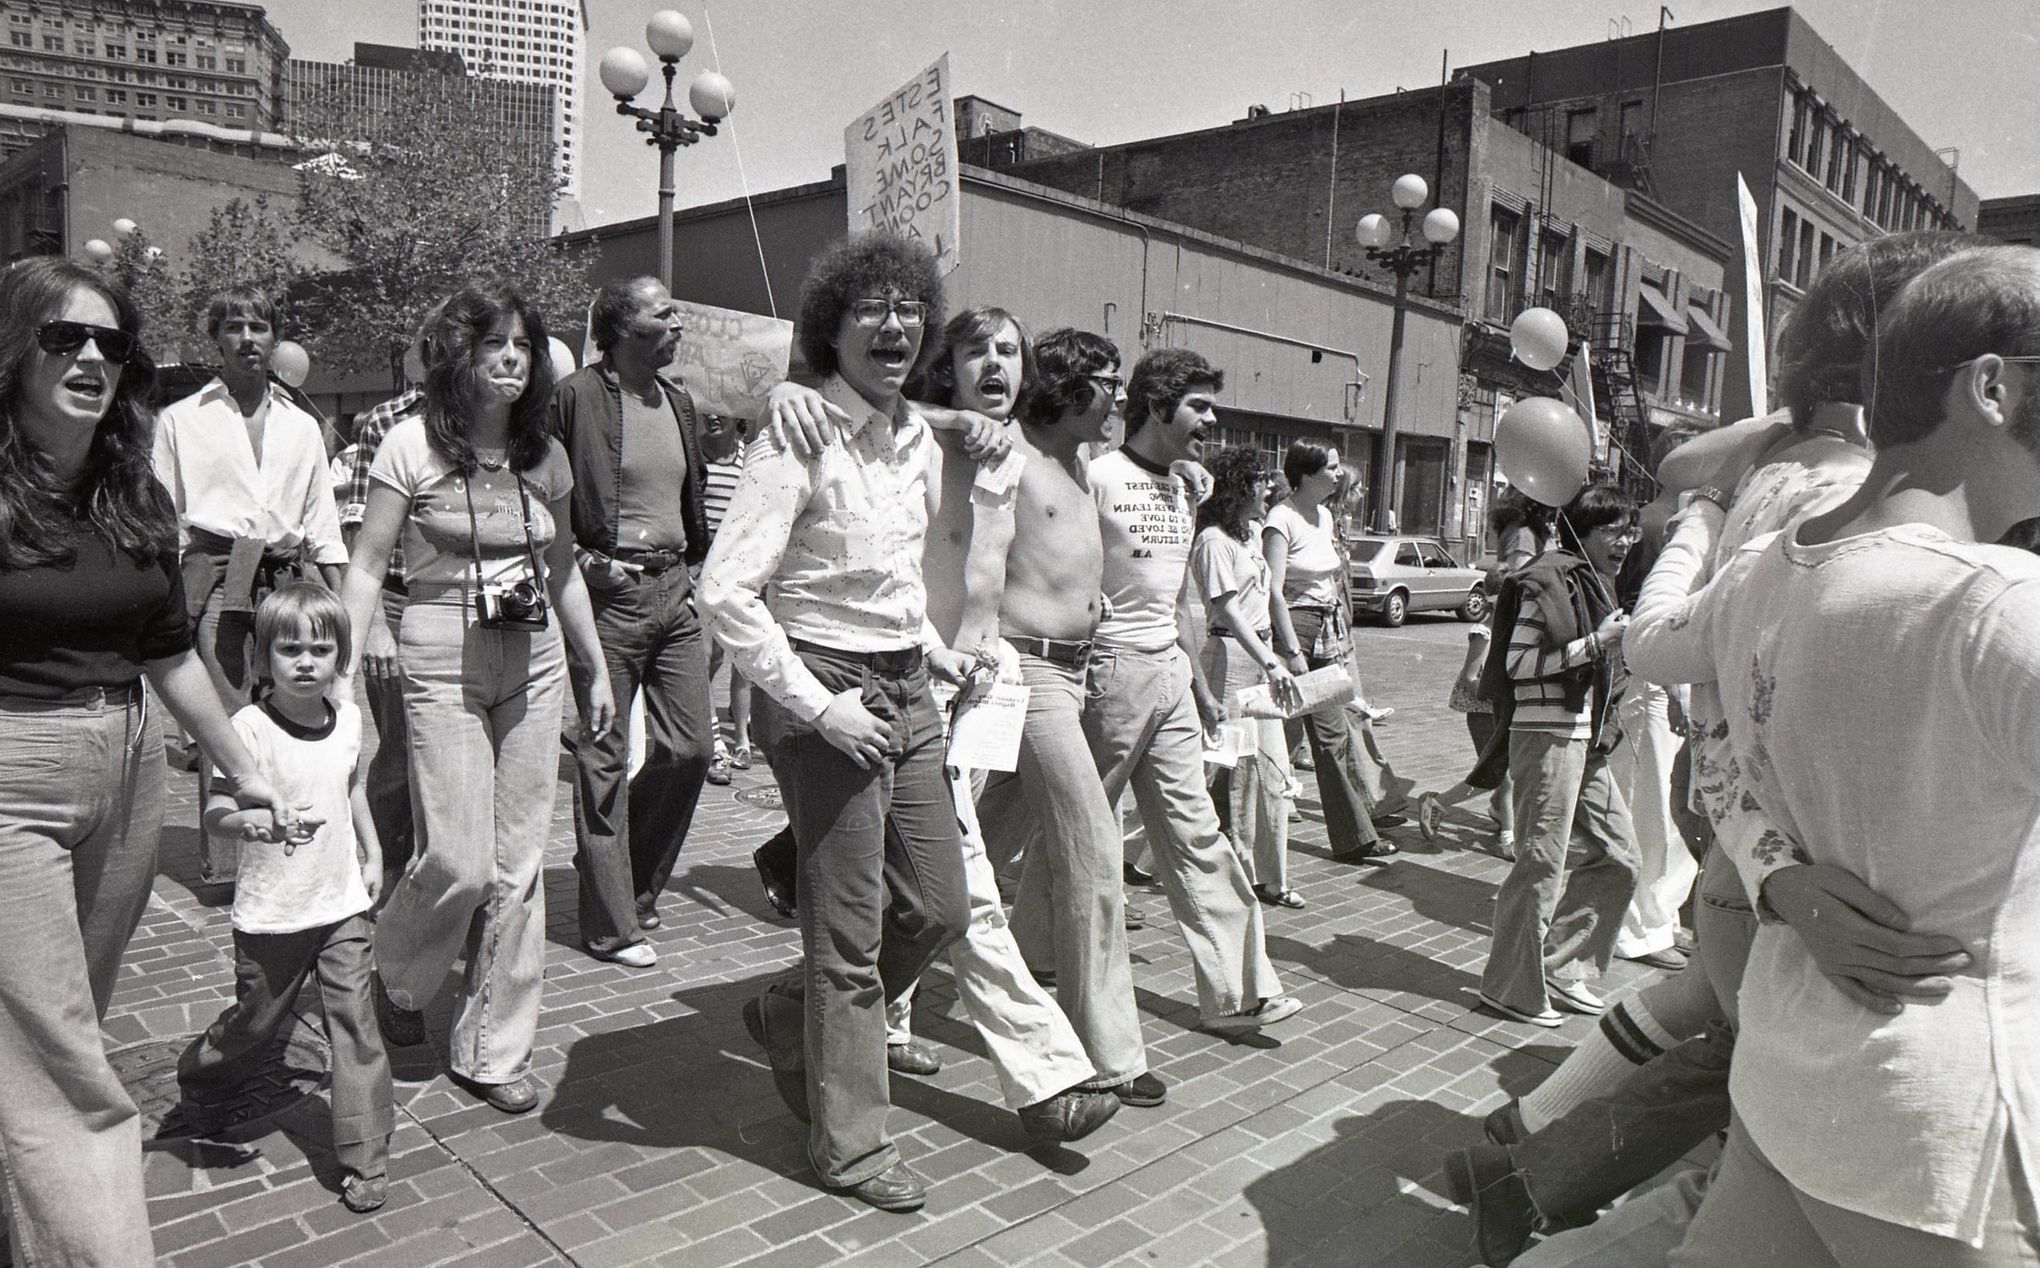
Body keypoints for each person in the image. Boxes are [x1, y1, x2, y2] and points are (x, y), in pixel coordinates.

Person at [1619, 244, 2040, 1266]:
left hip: (1793, 1081)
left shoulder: (1769, 566)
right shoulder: (2001, 607)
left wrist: (1780, 881)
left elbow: (1711, 741)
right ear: (1991, 386)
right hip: (1943, 1139)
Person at [755, 305, 1121, 1142]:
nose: (996, 365)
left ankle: (837, 1013)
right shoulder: (915, 437)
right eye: (975, 351)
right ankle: (1049, 1079)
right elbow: (815, 399)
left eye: (1010, 351)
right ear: (940, 364)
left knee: (938, 880)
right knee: (968, 890)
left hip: (986, 686)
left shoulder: (1021, 452)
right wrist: (789, 389)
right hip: (902, 682)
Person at [0, 256, 291, 1266]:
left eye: (112, 344)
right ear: (15, 349)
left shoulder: (131, 487)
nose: (91, 357)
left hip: (127, 771)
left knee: (59, 1023)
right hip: (12, 773)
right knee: (67, 1067)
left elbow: (169, 646)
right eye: (64, 338)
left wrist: (246, 764)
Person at [702, 233, 974, 1213]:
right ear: (834, 327)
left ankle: (788, 1012)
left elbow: (887, 572)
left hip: (908, 685)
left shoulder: (914, 438)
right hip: (828, 694)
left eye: (910, 306)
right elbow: (726, 593)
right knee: (849, 939)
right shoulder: (797, 436)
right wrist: (819, 707)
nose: (895, 323)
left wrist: (933, 652)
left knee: (939, 905)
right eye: (873, 308)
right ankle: (848, 1146)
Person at [341, 284, 615, 1115]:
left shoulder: (545, 456)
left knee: (519, 863)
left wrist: (593, 668)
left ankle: (493, 1049)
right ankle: (393, 971)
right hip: (436, 644)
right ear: (457, 355)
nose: (509, 358)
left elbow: (562, 569)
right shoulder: (409, 446)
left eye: (522, 346)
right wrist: (351, 670)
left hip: (529, 653)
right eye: (492, 343)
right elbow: (366, 563)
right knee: (456, 857)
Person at [1080, 346, 1300, 1033]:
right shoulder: (1095, 475)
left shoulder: (1185, 487)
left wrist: (1198, 684)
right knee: (1083, 835)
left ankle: (1243, 991)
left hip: (1171, 676)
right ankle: (1038, 956)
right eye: (1200, 405)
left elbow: (1178, 597)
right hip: (1109, 673)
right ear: (1155, 404)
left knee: (1198, 834)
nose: (1212, 417)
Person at [176, 583, 393, 1215]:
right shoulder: (245, 731)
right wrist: (250, 824)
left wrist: (372, 853)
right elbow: (217, 810)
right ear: (263, 657)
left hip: (340, 903)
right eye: (289, 649)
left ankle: (365, 1153)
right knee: (255, 1021)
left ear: (340, 656)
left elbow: (350, 790)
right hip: (273, 915)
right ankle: (203, 1076)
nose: (305, 662)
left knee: (355, 1022)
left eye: (320, 650)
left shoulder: (349, 720)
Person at [154, 284, 348, 886]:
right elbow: (162, 519)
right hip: (218, 579)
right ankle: (229, 859)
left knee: (295, 700)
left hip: (288, 578)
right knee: (229, 712)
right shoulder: (182, 419)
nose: (247, 339)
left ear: (275, 338)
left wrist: (346, 607)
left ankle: (293, 833)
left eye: (259, 327)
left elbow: (322, 521)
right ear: (216, 338)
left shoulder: (301, 425)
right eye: (234, 327)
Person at [552, 276, 712, 967]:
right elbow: (540, 491)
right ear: (620, 328)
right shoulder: (575, 398)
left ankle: (628, 878)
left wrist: (698, 571)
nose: (678, 321)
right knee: (604, 759)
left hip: (675, 593)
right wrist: (582, 559)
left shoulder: (678, 400)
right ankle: (613, 923)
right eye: (663, 312)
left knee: (691, 749)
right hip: (607, 596)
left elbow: (691, 495)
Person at [1475, 479, 1640, 1027]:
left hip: (1584, 740)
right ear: (1582, 531)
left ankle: (1560, 967)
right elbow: (1519, 666)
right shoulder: (1546, 579)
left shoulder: (1595, 583)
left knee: (1620, 858)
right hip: (1545, 737)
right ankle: (1510, 986)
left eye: (1628, 531)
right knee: (1541, 864)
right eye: (1612, 532)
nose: (1623, 542)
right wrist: (1598, 644)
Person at [1263, 440, 1394, 861]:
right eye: (1333, 467)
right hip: (1294, 631)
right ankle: (1216, 828)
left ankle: (1356, 837)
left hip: (1324, 629)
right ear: (1308, 473)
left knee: (1332, 735)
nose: (1340, 474)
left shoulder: (1322, 515)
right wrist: (1291, 650)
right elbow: (1274, 591)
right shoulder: (1281, 519)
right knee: (1266, 736)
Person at [338, 319, 434, 883]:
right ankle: (382, 871)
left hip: (466, 610)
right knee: (400, 752)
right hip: (396, 603)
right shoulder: (385, 420)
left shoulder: (489, 419)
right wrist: (371, 626)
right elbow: (358, 532)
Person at [1190, 445, 1304, 905]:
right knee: (1227, 771)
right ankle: (1230, 871)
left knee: (1273, 772)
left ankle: (1272, 879)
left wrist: (1278, 653)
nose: (1269, 488)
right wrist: (1271, 660)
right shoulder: (1214, 541)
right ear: (1238, 487)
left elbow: (1266, 596)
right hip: (1234, 658)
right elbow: (1229, 611)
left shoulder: (1249, 534)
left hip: (1260, 654)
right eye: (1260, 480)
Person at [697, 411, 753, 786]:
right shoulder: (694, 456)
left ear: (739, 418)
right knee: (704, 656)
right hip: (701, 571)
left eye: (724, 409)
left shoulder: (749, 459)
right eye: (709, 408)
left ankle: (743, 739)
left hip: (742, 572)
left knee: (743, 659)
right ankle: (713, 742)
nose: (714, 415)